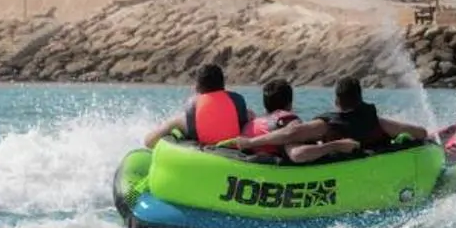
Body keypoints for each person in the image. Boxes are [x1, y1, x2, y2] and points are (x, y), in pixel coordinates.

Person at [231, 76, 431, 164]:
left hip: (338, 176)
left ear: (336, 101)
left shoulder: (326, 125)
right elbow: (421, 133)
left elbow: (290, 134)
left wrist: (250, 142)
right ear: (361, 98)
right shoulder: (378, 122)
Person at [144, 63, 251, 147]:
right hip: (236, 155)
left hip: (200, 157)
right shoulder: (239, 107)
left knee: (174, 130)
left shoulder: (186, 117)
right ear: (223, 85)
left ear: (197, 87)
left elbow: (148, 142)